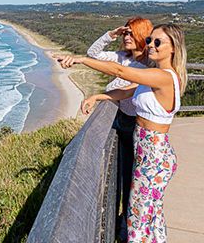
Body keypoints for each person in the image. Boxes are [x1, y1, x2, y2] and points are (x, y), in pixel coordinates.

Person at [54, 24, 187, 243]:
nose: (150, 46)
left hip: (153, 156)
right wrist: (99, 97)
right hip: (150, 153)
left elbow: (120, 71)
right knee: (150, 218)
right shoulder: (153, 75)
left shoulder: (164, 76)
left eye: (157, 42)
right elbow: (127, 90)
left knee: (137, 220)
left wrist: (82, 60)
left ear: (173, 48)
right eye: (149, 41)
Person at [86, 17, 153, 241]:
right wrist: (111, 34)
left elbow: (125, 90)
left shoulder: (147, 66)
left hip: (136, 125)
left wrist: (98, 95)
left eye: (131, 33)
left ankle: (128, 228)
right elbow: (92, 53)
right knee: (124, 174)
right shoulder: (122, 57)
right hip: (122, 121)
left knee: (134, 180)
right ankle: (125, 225)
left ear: (142, 36)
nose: (127, 37)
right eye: (126, 33)